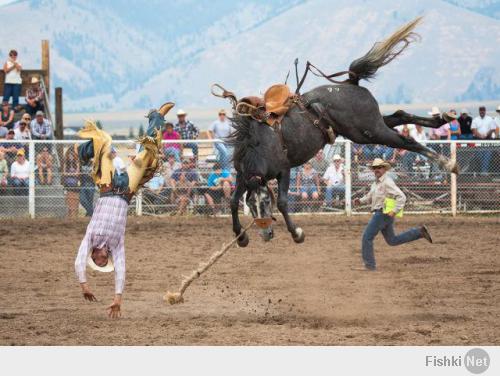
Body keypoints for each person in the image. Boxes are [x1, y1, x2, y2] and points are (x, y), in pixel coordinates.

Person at [74, 101, 174, 319]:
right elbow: (121, 271)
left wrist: (84, 285)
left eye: (98, 262)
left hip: (108, 185)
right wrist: (117, 299)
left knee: (105, 142)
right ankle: (157, 117)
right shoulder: (116, 246)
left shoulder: (89, 238)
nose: (101, 261)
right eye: (103, 263)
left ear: (93, 256)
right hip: (126, 190)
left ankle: (82, 151)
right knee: (147, 154)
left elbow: (77, 260)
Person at [352, 158, 432, 271]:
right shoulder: (377, 182)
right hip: (384, 214)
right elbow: (370, 195)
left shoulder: (387, 182)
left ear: (384, 169)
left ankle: (369, 265)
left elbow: (402, 197)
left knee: (367, 237)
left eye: (379, 167)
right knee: (392, 240)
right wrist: (360, 200)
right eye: (375, 168)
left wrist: (395, 210)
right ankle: (419, 232)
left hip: (382, 214)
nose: (377, 170)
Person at [471, 106, 497, 173]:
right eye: (480, 110)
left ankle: (484, 172)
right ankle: (480, 171)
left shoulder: (490, 119)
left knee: (487, 155)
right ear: (479, 111)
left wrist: (486, 135)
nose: (482, 111)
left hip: (487, 140)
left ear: (485, 111)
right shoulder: (475, 119)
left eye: (483, 110)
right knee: (479, 155)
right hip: (478, 140)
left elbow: (493, 129)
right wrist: (480, 136)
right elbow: (474, 130)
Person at [62, 145, 80, 217]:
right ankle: (69, 216)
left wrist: (69, 174)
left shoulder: (77, 163)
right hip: (67, 184)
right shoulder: (66, 163)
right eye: (69, 155)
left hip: (75, 184)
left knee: (75, 200)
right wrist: (72, 174)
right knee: (69, 201)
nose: (71, 157)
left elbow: (77, 174)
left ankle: (74, 216)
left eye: (72, 155)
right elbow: (64, 173)